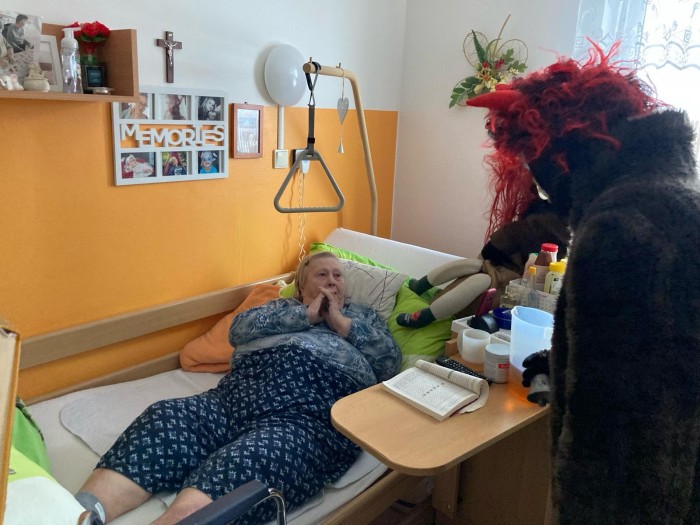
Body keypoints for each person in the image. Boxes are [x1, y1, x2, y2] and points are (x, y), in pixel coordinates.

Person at [466, 42, 700, 524]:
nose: (544, 191)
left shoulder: (620, 227)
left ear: (562, 158)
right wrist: (563, 361)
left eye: (539, 174)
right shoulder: (672, 198)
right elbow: (650, 354)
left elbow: (614, 430)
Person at [74, 251, 401, 525]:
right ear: (302, 286)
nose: (332, 281)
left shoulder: (364, 318)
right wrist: (305, 316)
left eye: (337, 275)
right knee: (166, 418)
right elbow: (239, 331)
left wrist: (342, 324)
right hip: (233, 399)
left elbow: (389, 361)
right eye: (322, 274)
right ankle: (81, 514)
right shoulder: (279, 308)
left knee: (251, 460)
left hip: (305, 417)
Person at [396, 195, 569, 328]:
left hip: (504, 281)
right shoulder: (524, 229)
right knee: (470, 265)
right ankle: (421, 285)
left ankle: (425, 316)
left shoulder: (550, 252)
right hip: (490, 265)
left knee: (481, 280)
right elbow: (492, 248)